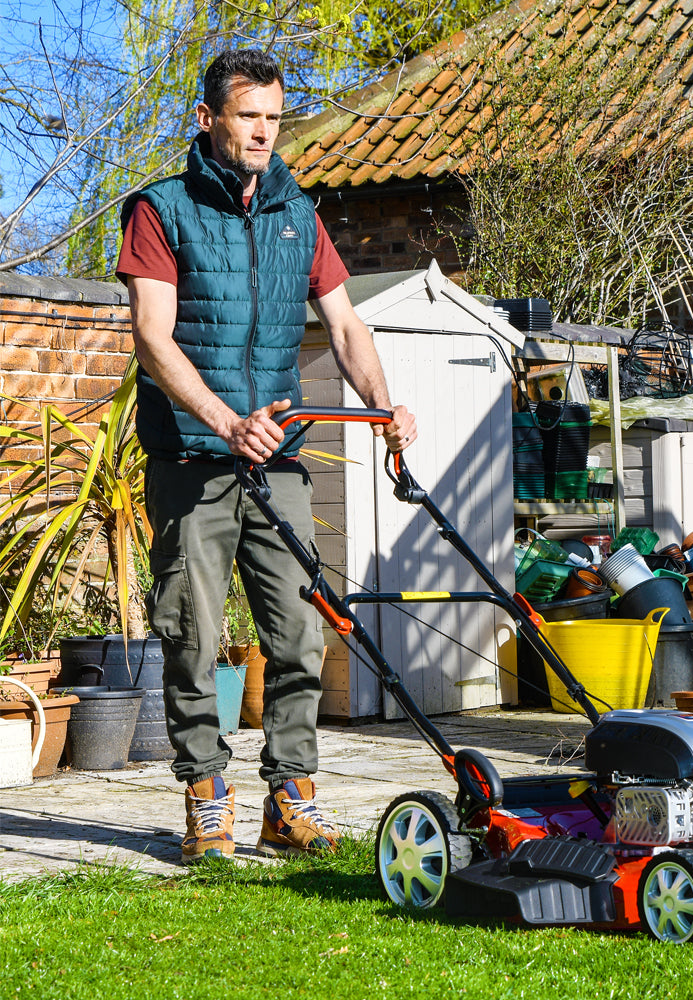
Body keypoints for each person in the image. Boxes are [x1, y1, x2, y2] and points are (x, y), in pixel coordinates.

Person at [116, 48, 416, 865]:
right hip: (193, 461)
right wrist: (225, 422)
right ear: (207, 118)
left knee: (299, 636)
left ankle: (290, 801)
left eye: (274, 118)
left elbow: (345, 325)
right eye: (248, 116)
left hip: (277, 463)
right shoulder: (161, 210)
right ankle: (206, 799)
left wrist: (383, 407)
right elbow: (152, 337)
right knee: (191, 635)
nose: (263, 132)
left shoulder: (297, 213)